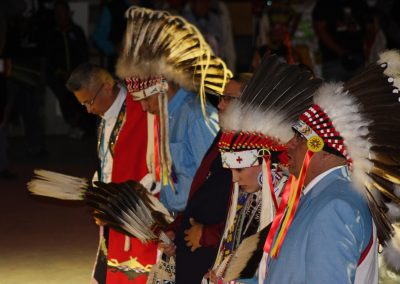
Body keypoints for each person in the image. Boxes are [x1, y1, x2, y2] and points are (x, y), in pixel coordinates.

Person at [264, 50, 400, 283]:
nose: (291, 144)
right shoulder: (320, 196)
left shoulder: (336, 206)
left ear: (325, 153)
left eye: (301, 138)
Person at [203, 55, 323, 284]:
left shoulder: (288, 197)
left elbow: (284, 266)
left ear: (264, 162)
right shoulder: (252, 194)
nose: (234, 179)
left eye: (239, 169)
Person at [115, 6, 232, 215]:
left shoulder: (197, 116)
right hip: (178, 217)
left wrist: (202, 225)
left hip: (197, 218)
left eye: (146, 99)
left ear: (163, 86)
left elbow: (216, 177)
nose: (143, 107)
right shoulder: (168, 115)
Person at [66, 63, 157, 284]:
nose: (88, 109)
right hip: (112, 211)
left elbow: (158, 163)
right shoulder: (105, 113)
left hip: (138, 211)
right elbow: (107, 159)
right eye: (83, 104)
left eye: (89, 101)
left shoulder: (142, 108)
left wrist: (131, 195)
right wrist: (99, 186)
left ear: (107, 86)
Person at [161, 74, 251, 284]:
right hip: (196, 256)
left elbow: (253, 217)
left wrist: (207, 235)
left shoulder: (256, 152)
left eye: (229, 98)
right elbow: (201, 191)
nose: (219, 104)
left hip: (219, 261)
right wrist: (177, 229)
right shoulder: (224, 136)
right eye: (221, 97)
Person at [46, 0, 92, 138]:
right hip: (58, 75)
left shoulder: (76, 32)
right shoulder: (51, 34)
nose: (60, 16)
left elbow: (84, 55)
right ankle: (73, 121)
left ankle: (84, 127)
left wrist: (75, 72)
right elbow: (49, 58)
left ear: (68, 13)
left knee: (86, 91)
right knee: (64, 91)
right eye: (57, 13)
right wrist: (61, 72)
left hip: (77, 73)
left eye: (62, 12)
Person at [312, 0, 375, 81]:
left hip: (358, 58)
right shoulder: (324, 4)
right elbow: (320, 29)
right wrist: (341, 52)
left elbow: (371, 27)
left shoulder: (360, 3)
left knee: (362, 91)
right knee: (334, 92)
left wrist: (368, 47)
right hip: (333, 59)